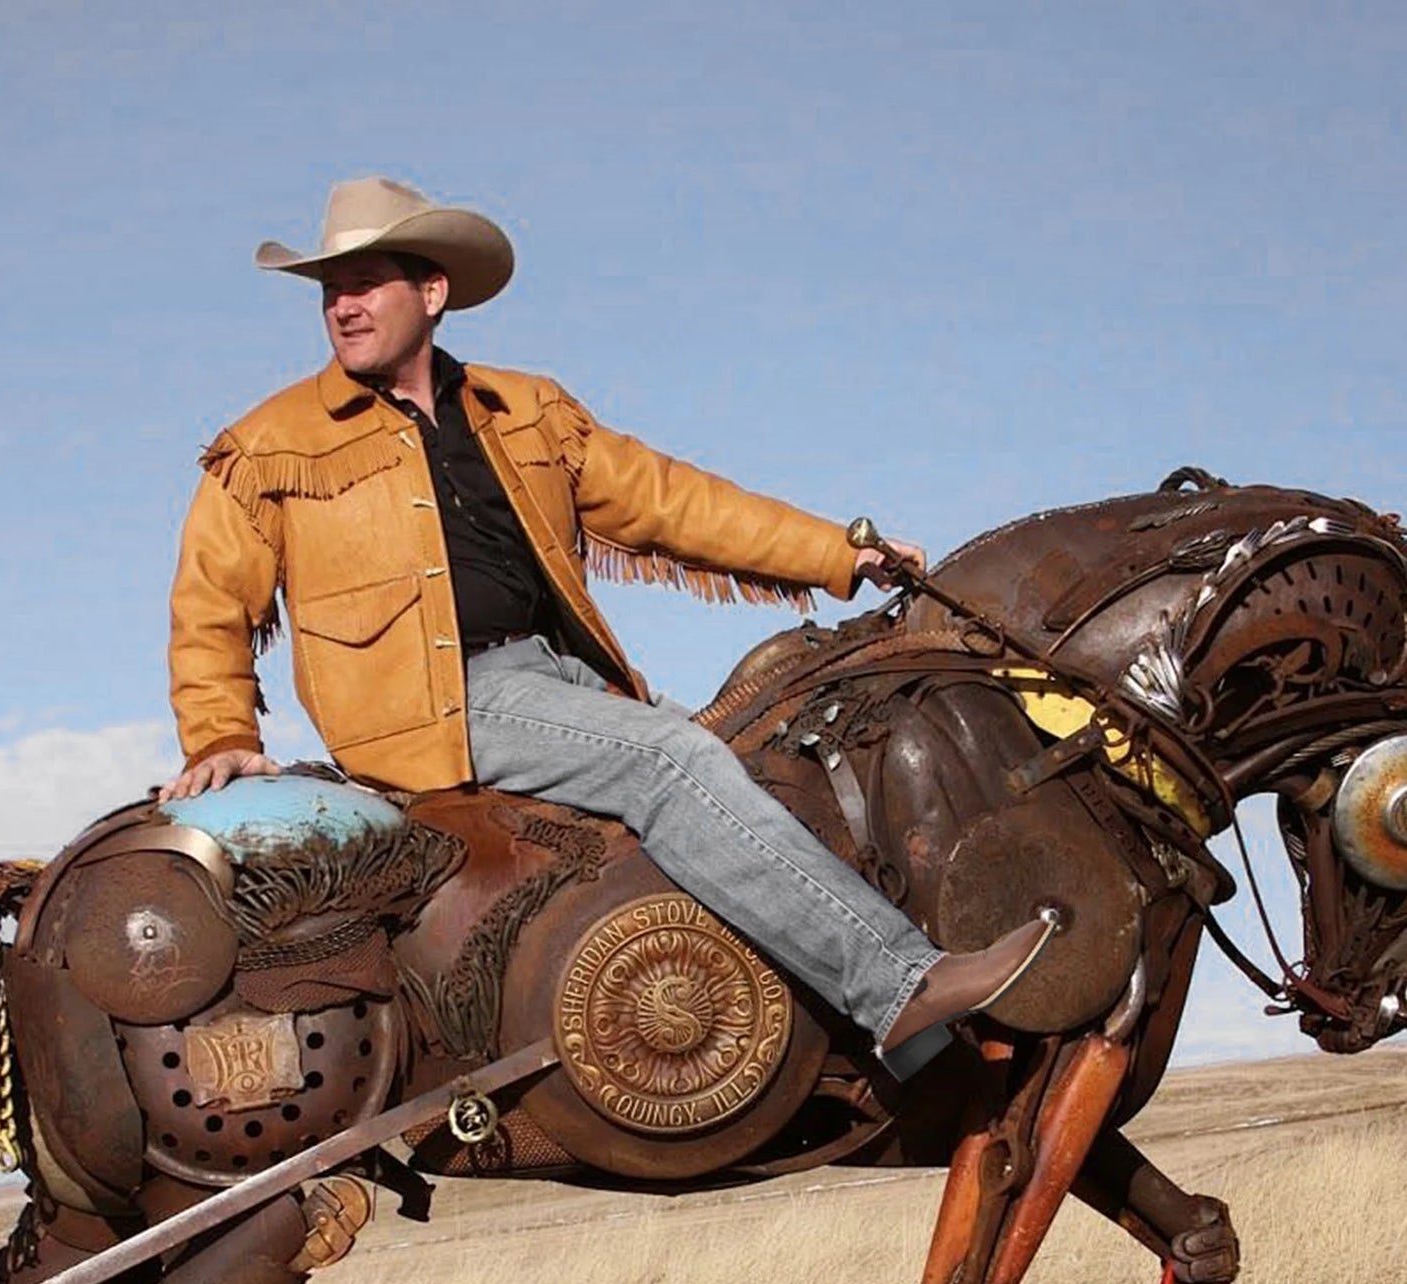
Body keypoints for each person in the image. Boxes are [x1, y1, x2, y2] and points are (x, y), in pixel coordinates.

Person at [161, 177, 1053, 1080]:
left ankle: (923, 1071)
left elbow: (673, 503)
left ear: (431, 292)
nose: (343, 306)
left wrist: (836, 551)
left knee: (754, 768)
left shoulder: (524, 411)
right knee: (671, 762)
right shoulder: (270, 445)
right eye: (330, 289)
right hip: (433, 707)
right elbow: (209, 600)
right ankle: (900, 987)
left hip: (559, 678)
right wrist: (220, 733)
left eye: (364, 283)